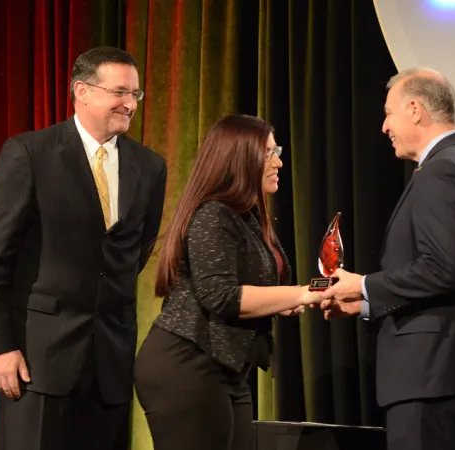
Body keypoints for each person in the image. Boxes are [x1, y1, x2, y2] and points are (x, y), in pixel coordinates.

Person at [0, 46, 167, 450]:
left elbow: (136, 250)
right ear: (82, 91)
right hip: (37, 360)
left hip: (109, 362)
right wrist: (0, 347)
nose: (130, 104)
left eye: (135, 94)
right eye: (119, 92)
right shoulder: (30, 153)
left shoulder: (149, 166)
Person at [319, 68, 455, 450]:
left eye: (389, 113)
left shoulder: (443, 171)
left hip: (432, 374)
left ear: (416, 109)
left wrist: (364, 284)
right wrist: (364, 302)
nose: (385, 126)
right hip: (446, 371)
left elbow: (444, 269)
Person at [133, 114, 320, 450]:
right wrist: (301, 293)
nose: (278, 161)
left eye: (277, 151)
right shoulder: (213, 214)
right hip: (186, 364)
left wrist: (295, 299)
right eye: (268, 153)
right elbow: (221, 296)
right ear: (239, 157)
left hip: (226, 368)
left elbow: (253, 289)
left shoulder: (248, 215)